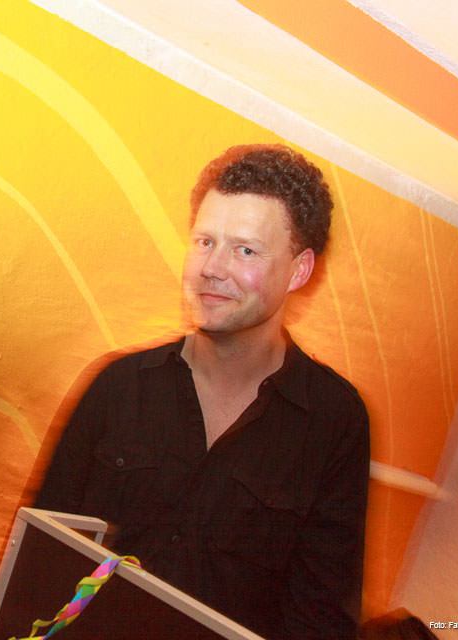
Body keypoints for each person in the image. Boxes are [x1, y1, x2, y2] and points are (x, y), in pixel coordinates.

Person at [35, 145, 370, 639]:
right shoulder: (118, 386)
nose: (212, 267)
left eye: (245, 250)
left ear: (299, 270)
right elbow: (40, 555)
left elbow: (321, 617)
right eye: (204, 241)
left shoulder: (333, 421)